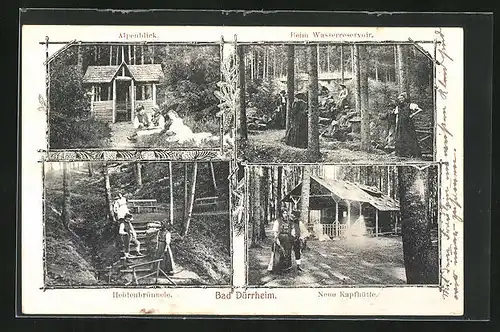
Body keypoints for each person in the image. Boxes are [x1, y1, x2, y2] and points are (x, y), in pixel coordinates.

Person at [393, 92, 422, 158]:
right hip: (400, 124)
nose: (401, 100)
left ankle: (411, 154)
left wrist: (412, 115)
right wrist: (397, 125)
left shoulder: (410, 105)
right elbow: (397, 116)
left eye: (402, 98)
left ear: (404, 98)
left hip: (408, 124)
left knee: (409, 137)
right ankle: (402, 154)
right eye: (399, 99)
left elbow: (420, 110)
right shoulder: (398, 107)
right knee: (400, 138)